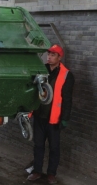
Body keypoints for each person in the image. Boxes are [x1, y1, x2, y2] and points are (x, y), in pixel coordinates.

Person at [27, 44, 75, 184]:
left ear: (59, 57)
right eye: (48, 54)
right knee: (38, 145)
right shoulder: (41, 70)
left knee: (54, 147)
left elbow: (67, 99)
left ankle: (51, 174)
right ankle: (37, 171)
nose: (49, 57)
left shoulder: (67, 75)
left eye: (53, 55)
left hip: (54, 119)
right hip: (39, 115)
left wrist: (65, 118)